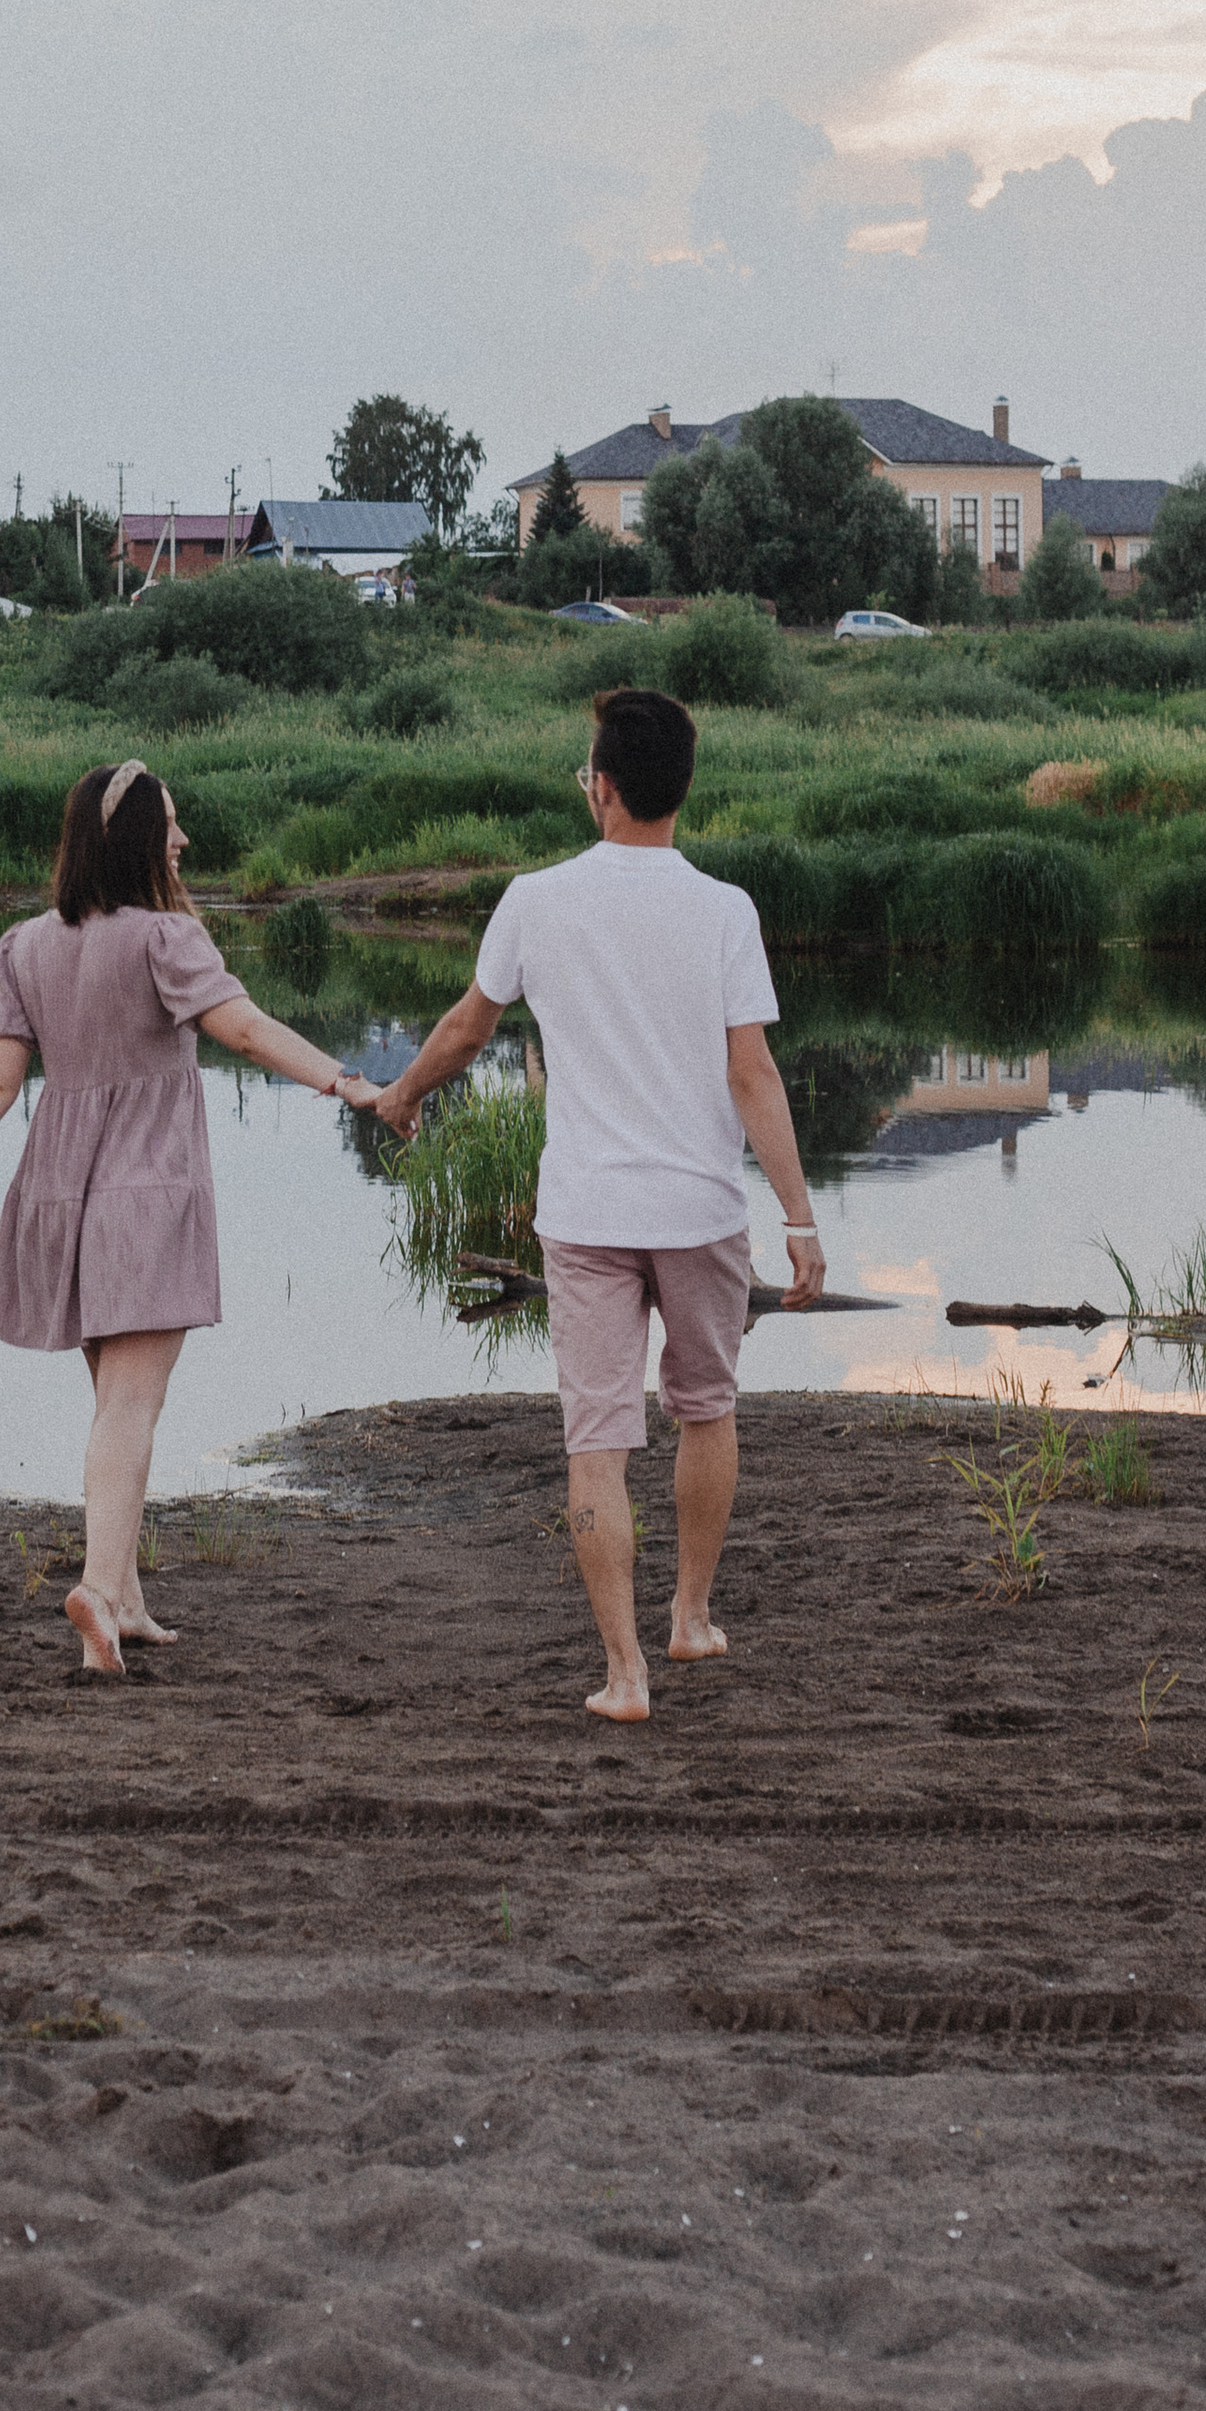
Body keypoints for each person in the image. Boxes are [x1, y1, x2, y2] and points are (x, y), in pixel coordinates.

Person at [373, 682, 824, 1723]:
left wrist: (400, 1095)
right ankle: (690, 1617)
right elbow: (752, 1073)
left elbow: (465, 1030)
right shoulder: (726, 909)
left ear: (602, 788)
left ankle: (625, 1675)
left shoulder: (535, 899)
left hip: (584, 1217)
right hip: (701, 1210)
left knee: (597, 1444)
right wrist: (799, 1217)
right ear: (681, 792)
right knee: (707, 1409)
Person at [0, 758, 381, 1677]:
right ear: (132, 838)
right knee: (132, 1405)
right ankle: (97, 1589)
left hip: (59, 1192)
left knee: (113, 1408)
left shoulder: (22, 946)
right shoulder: (167, 938)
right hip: (146, 1192)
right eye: (169, 823)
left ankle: (124, 1601)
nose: (182, 838)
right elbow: (244, 1029)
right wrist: (346, 1082)